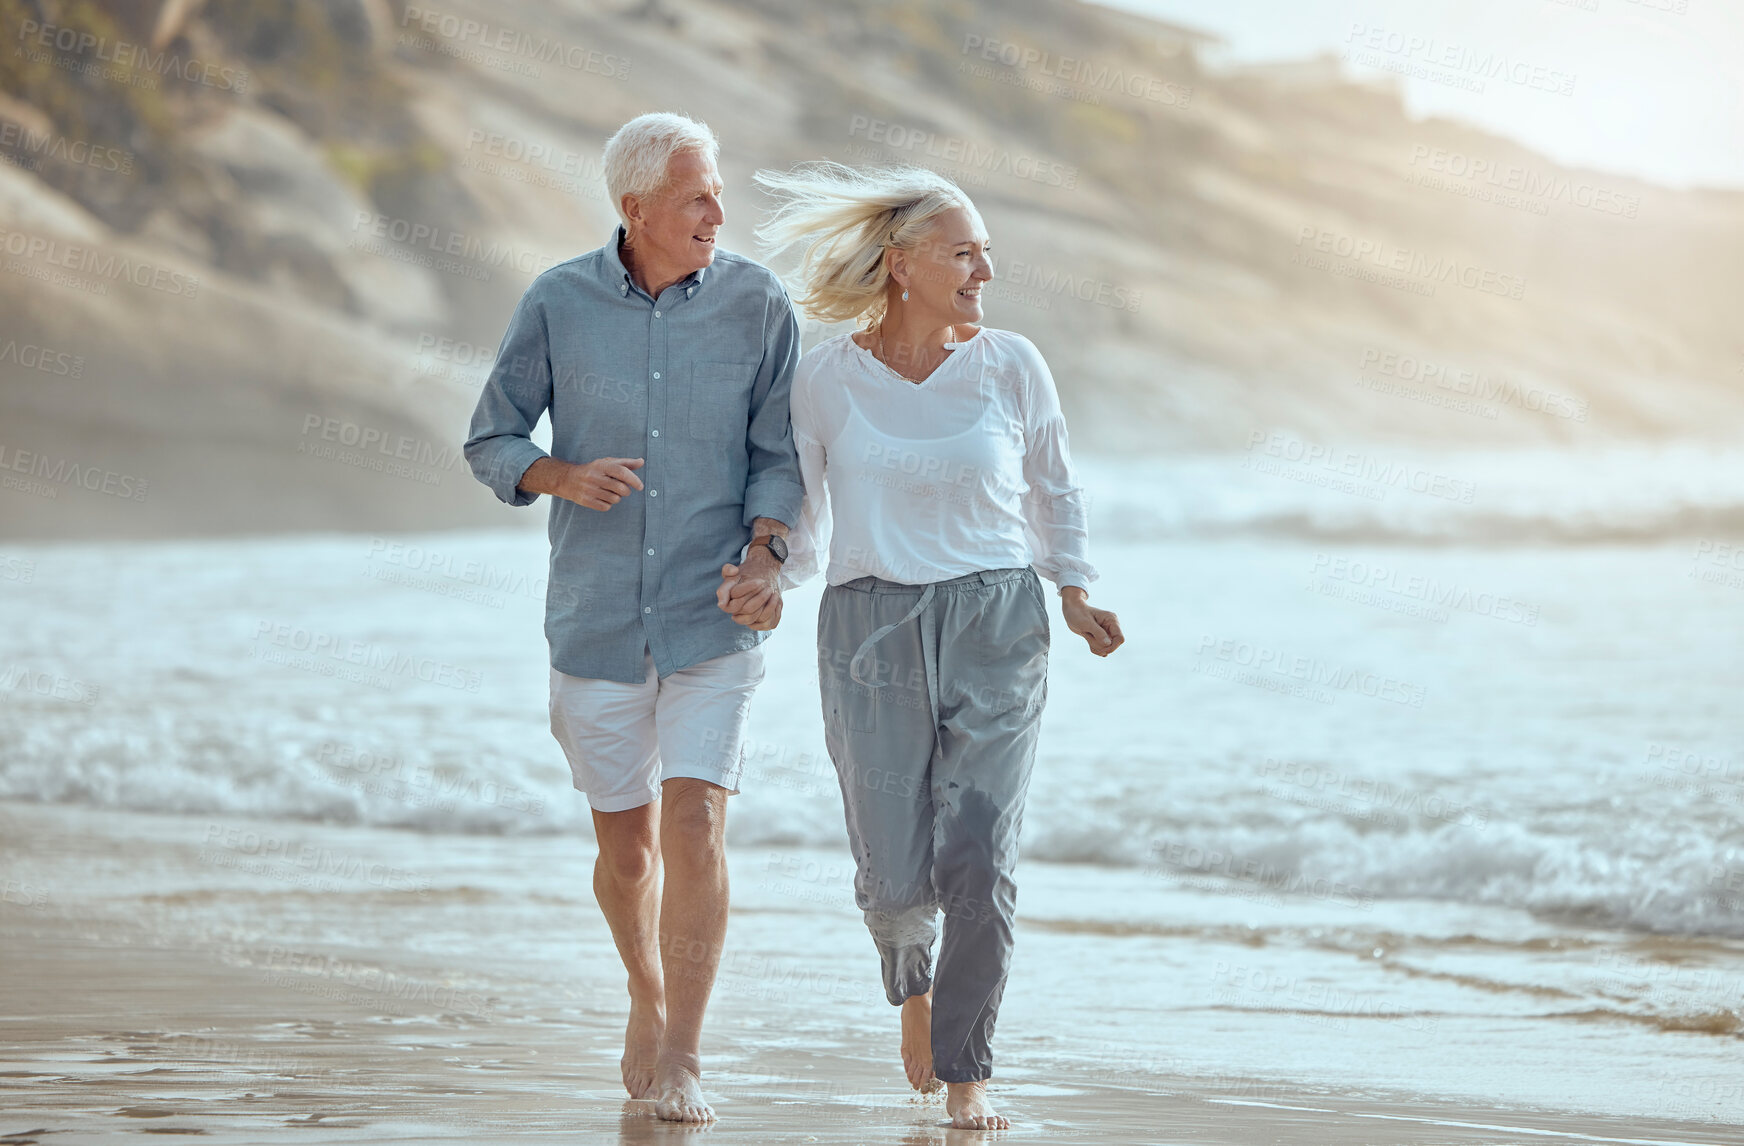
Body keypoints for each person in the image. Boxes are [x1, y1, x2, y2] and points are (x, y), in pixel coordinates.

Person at [739, 161, 1126, 1130]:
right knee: (893, 865)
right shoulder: (825, 376)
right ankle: (911, 989)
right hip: (867, 625)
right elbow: (795, 504)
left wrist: (1074, 591)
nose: (983, 271)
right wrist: (766, 570)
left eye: (986, 254)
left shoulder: (1011, 364)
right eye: (964, 252)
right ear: (901, 263)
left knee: (977, 854)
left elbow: (1054, 487)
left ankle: (968, 1073)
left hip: (997, 622)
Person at [463, 112, 803, 1124]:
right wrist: (559, 473)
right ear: (636, 209)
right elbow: (489, 437)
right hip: (596, 618)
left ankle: (686, 1053)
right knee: (628, 855)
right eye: (697, 195)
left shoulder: (757, 303)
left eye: (717, 192)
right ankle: (645, 993)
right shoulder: (557, 302)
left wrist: (766, 555)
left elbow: (779, 455)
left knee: (695, 822)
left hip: (714, 616)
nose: (717, 211)